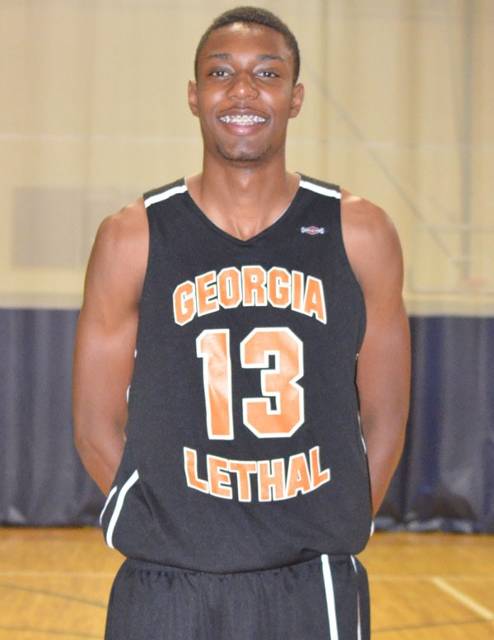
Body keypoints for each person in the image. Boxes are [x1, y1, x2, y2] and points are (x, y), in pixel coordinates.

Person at [72, 6, 410, 639]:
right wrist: (174, 525)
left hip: (311, 579)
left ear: (295, 97)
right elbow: (95, 423)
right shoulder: (132, 238)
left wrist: (331, 521)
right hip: (166, 579)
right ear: (194, 95)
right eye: (221, 72)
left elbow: (385, 413)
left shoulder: (360, 233)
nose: (243, 91)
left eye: (268, 73)